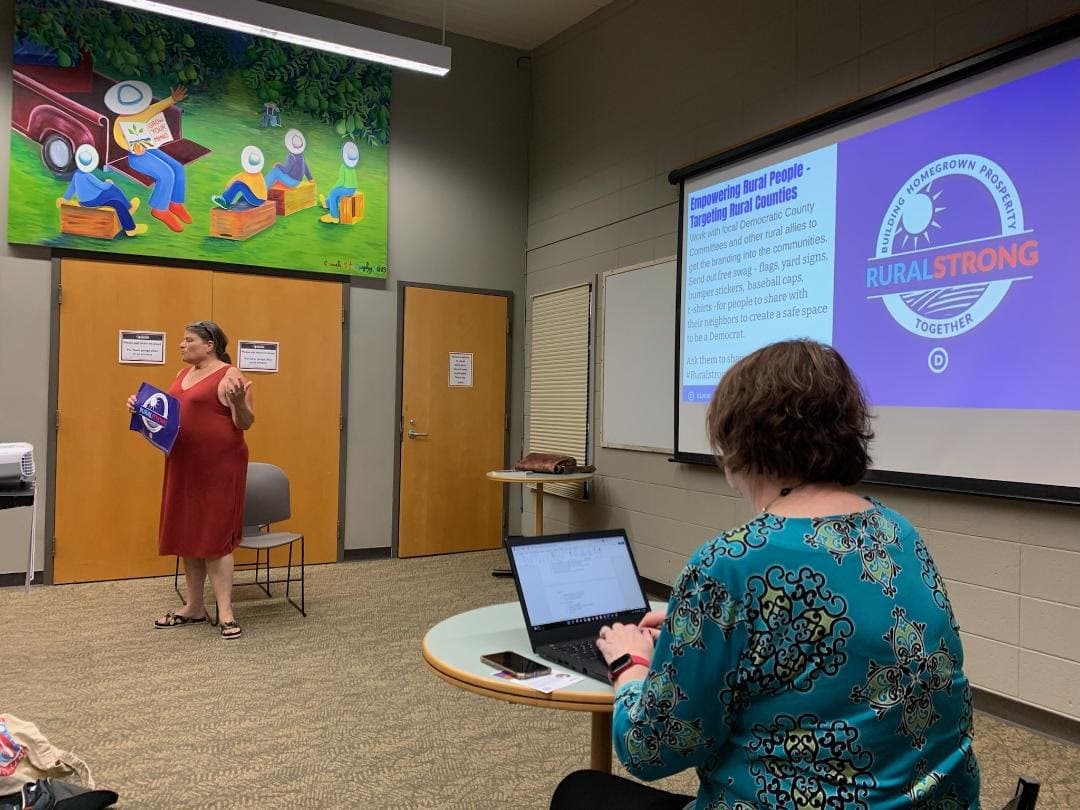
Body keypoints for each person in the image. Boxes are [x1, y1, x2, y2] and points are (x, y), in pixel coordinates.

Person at [552, 340, 980, 809]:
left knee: (579, 792)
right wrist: (689, 636)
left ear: (740, 442)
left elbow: (650, 751)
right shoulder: (899, 534)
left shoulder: (729, 564)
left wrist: (629, 664)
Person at [126, 321, 254, 640]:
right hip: (184, 464)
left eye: (189, 340)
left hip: (219, 466)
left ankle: (226, 613)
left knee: (215, 536)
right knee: (190, 533)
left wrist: (238, 402)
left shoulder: (230, 374)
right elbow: (172, 416)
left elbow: (246, 422)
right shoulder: (183, 374)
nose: (182, 345)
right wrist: (141, 410)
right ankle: (194, 606)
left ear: (209, 344)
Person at [106, 79, 192, 232]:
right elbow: (119, 139)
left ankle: (175, 202)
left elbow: (157, 108)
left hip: (150, 148)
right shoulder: (119, 121)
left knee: (178, 168)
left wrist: (173, 99)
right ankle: (159, 208)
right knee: (166, 174)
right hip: (136, 156)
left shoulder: (142, 113)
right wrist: (132, 148)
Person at [57, 144, 147, 236]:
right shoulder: (88, 175)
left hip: (84, 202)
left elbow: (72, 188)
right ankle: (130, 227)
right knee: (114, 194)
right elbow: (102, 186)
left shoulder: (76, 175)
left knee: (115, 199)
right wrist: (109, 182)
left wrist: (65, 199)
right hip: (94, 200)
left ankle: (128, 209)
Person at [318, 140, 359, 224]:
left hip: (347, 189)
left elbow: (341, 181)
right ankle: (326, 203)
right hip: (353, 189)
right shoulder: (353, 167)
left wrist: (333, 187)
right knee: (337, 195)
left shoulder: (343, 166)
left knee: (333, 192)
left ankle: (334, 217)